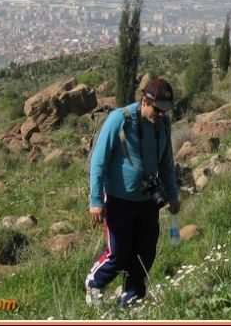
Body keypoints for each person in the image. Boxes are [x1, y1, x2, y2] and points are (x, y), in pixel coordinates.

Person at [85, 77, 180, 306]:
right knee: (118, 253)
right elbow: (98, 161)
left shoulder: (163, 124)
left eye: (165, 110)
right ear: (144, 101)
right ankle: (94, 284)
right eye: (158, 109)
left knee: (145, 253)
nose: (161, 115)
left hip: (148, 200)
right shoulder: (120, 119)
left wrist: (173, 195)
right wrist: (96, 200)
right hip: (118, 199)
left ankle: (132, 297)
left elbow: (166, 162)